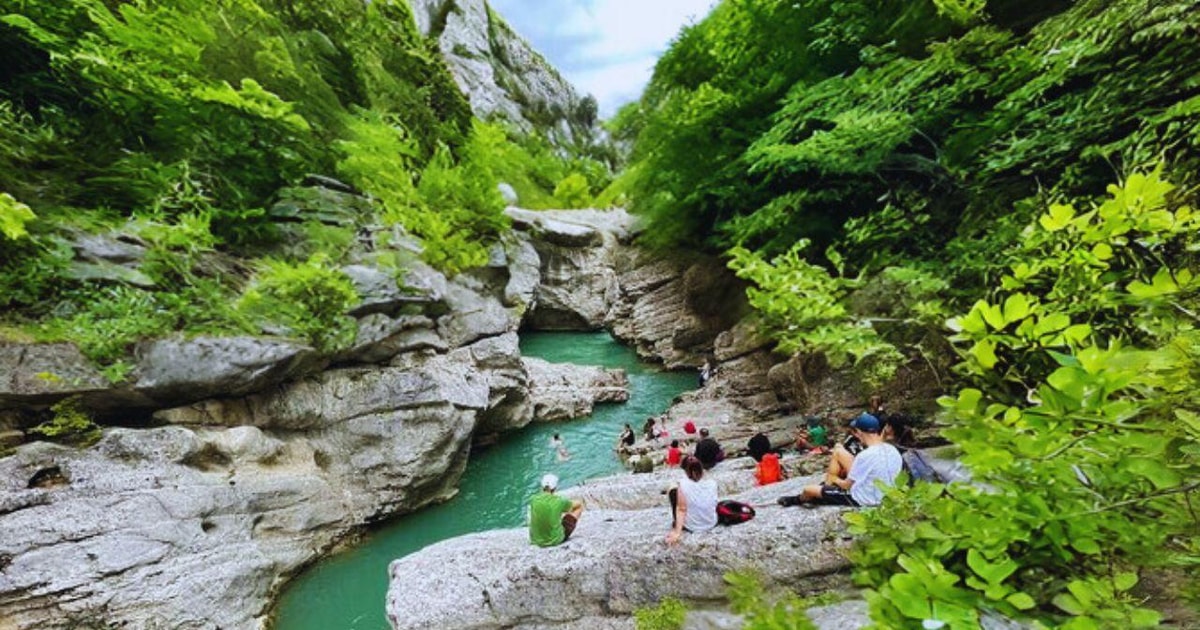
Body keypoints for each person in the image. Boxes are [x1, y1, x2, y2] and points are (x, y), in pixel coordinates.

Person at [777, 413, 902, 507]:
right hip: (887, 494)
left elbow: (847, 486)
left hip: (864, 499)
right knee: (839, 451)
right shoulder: (892, 449)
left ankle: (799, 499)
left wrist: (834, 478)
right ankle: (826, 488)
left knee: (809, 489)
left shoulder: (865, 455)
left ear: (858, 432)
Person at [665, 456, 718, 545]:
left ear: (685, 471)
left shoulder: (682, 484)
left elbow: (682, 509)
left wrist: (677, 532)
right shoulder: (713, 483)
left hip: (692, 526)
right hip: (711, 522)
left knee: (673, 490)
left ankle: (676, 522)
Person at [529, 473, 584, 547]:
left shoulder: (533, 499)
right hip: (555, 540)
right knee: (578, 507)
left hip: (536, 541)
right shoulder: (559, 501)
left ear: (542, 486)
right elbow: (578, 504)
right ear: (555, 488)